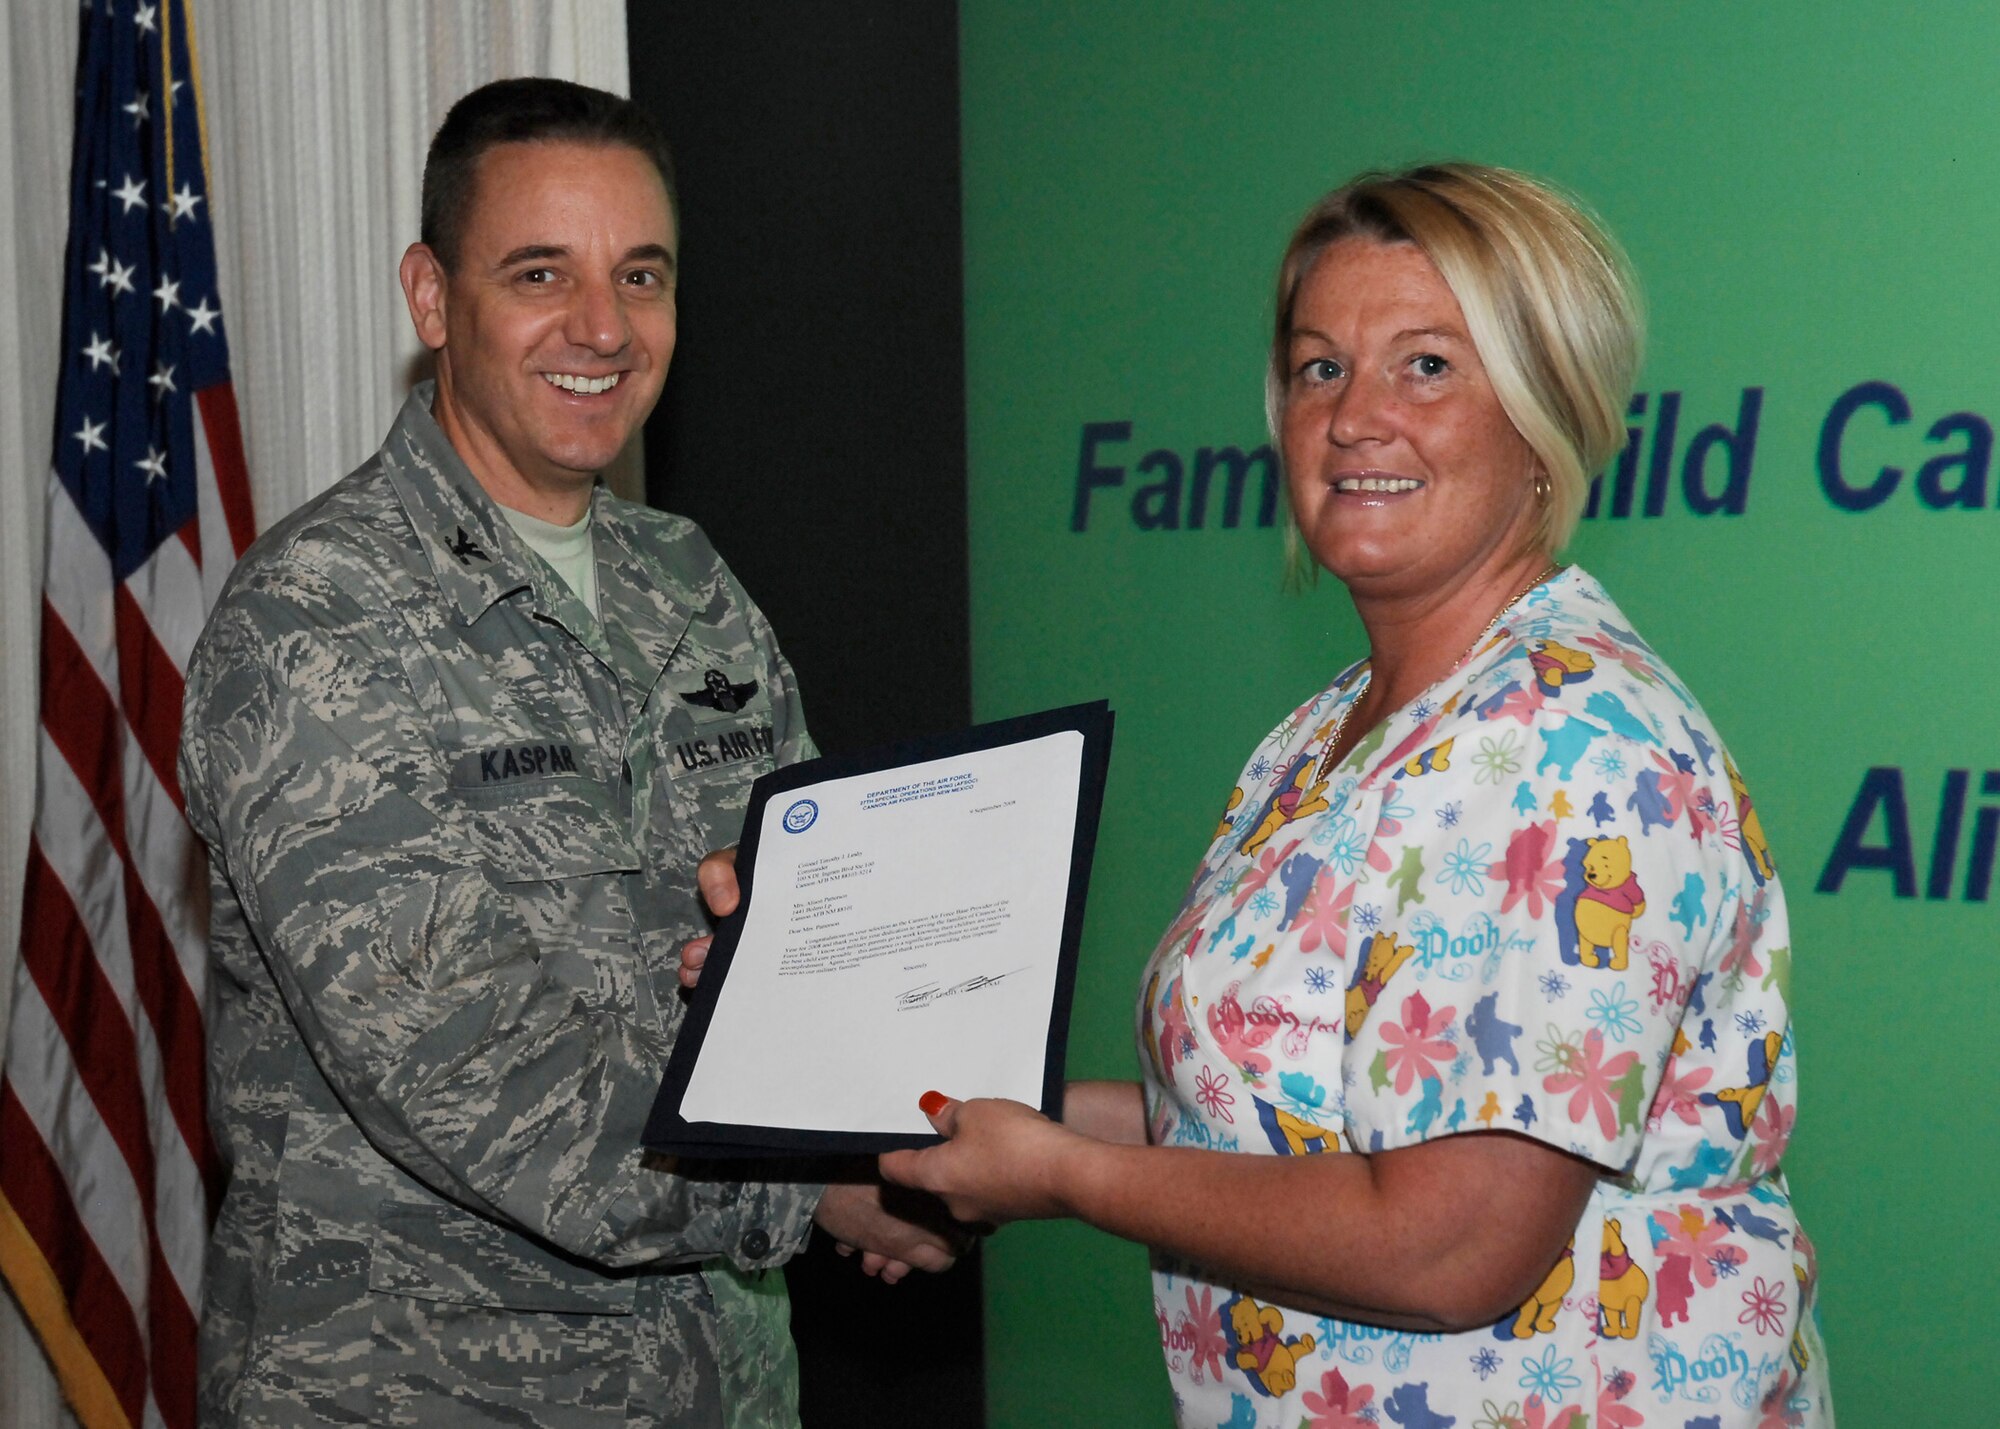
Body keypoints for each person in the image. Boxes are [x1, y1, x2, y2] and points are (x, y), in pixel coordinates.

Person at [839, 164, 1830, 1423]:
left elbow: (1447, 1245)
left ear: (1541, 412)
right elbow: (1250, 1119)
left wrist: (1064, 1182)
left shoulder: (1572, 746)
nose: (1356, 416)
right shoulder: (1328, 732)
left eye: (1426, 365)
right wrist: (966, 1126)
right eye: (1318, 368)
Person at [179, 78, 955, 1429]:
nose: (603, 328)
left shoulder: (687, 578)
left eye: (640, 276)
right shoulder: (314, 619)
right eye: (542, 273)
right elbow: (474, 1071)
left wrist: (902, 1121)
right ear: (432, 298)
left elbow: (826, 924)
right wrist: (826, 1182)